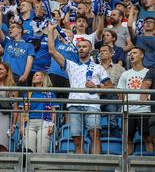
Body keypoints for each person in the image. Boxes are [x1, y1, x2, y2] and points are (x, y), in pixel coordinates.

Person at [48, 23, 113, 154]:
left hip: (93, 105)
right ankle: (81, 167)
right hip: (74, 104)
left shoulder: (98, 67)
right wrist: (50, 31)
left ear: (90, 50)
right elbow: (52, 51)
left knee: (95, 136)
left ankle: (96, 167)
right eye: (79, 47)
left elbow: (110, 86)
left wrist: (96, 86)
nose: (82, 49)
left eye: (85, 47)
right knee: (77, 139)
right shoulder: (71, 65)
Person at [117, 47, 153, 155]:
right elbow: (120, 92)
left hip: (145, 110)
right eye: (130, 53)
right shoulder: (125, 74)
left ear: (141, 56)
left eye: (134, 53)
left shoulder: (149, 72)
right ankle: (127, 167)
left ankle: (150, 164)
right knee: (128, 138)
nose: (131, 55)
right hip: (129, 110)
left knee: (147, 137)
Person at [0, 4, 35, 85]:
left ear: (20, 30)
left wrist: (25, 76)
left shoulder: (29, 46)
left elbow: (29, 62)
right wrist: (0, 12)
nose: (10, 29)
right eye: (9, 27)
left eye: (13, 27)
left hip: (19, 76)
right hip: (5, 75)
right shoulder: (7, 42)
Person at [20, 71, 57, 153]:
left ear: (43, 78)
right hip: (29, 123)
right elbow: (24, 112)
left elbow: (53, 111)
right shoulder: (28, 93)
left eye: (37, 75)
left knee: (42, 151)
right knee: (29, 151)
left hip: (45, 123)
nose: (34, 77)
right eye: (33, 75)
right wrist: (22, 126)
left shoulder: (50, 93)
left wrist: (52, 125)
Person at [99, 45, 125, 132]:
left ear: (111, 54)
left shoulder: (119, 68)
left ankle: (114, 128)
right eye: (101, 51)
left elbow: (124, 84)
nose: (102, 52)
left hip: (113, 97)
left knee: (113, 94)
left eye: (105, 51)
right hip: (97, 96)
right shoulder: (94, 67)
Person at [140, 68, 155, 148]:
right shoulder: (153, 70)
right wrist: (143, 95)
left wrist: (143, 96)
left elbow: (146, 83)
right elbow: (146, 83)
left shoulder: (152, 70)